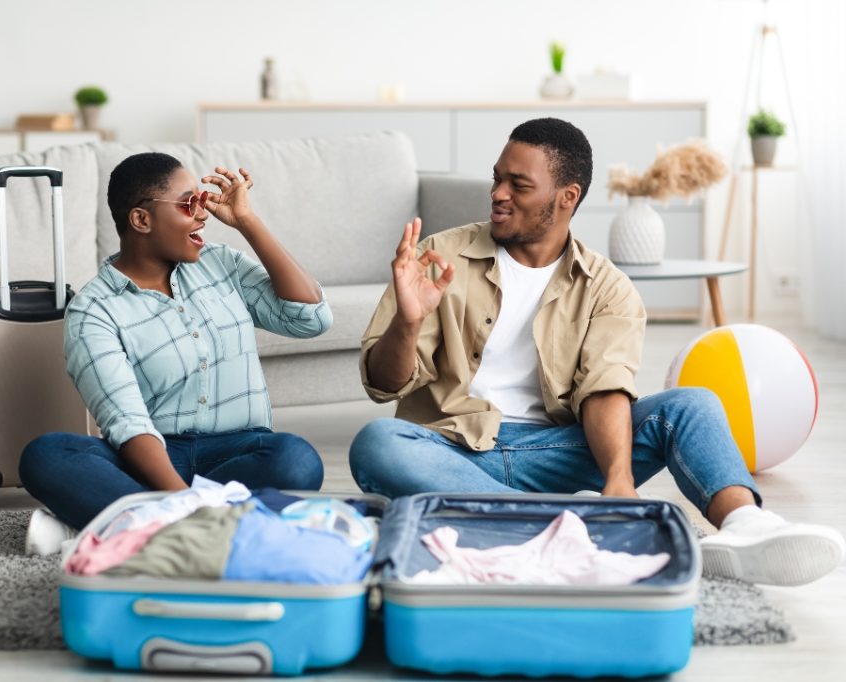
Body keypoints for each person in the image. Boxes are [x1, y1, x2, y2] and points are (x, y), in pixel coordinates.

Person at [349, 117, 844, 586]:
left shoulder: (608, 288)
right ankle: (560, 525)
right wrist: (408, 322)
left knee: (692, 405)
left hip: (555, 450)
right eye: (497, 179)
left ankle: (746, 525)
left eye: (519, 186)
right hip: (451, 446)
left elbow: (604, 389)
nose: (498, 194)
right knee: (378, 443)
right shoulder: (438, 257)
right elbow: (384, 383)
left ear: (567, 197)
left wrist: (619, 482)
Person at [20, 152, 331, 544]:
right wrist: (180, 496)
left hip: (238, 452)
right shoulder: (93, 311)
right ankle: (203, 526)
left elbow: (310, 320)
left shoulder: (220, 264)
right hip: (150, 457)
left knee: (296, 461)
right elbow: (128, 423)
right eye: (189, 203)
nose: (203, 214)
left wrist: (248, 223)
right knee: (47, 455)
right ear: (141, 219)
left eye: (202, 201)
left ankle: (124, 523)